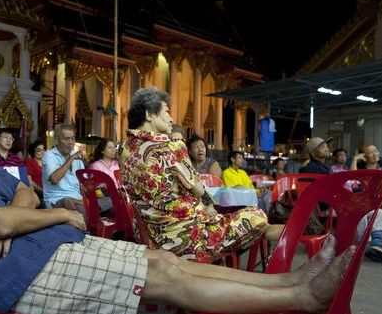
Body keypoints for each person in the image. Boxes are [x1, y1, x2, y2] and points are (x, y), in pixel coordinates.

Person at [0, 71, 352, 314]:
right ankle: (302, 297)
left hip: (42, 246)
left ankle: (290, 278)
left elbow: (22, 194)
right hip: (16, 271)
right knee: (166, 275)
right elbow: (4, 217)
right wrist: (55, 214)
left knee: (164, 258)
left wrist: (11, 220)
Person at [119, 87, 282, 260]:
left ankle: (296, 234)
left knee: (252, 223)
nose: (171, 118)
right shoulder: (171, 146)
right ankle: (297, 235)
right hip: (184, 238)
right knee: (257, 215)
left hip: (148, 237)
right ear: (149, 114)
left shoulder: (124, 149)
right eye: (166, 111)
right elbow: (198, 190)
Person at [42, 124, 112, 216]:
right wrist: (71, 159)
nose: (71, 142)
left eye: (73, 139)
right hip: (58, 200)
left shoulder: (76, 156)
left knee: (111, 201)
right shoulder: (49, 155)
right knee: (75, 206)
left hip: (78, 199)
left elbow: (83, 185)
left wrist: (95, 190)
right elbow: (54, 179)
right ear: (56, 140)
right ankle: (85, 206)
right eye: (66, 139)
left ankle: (84, 203)